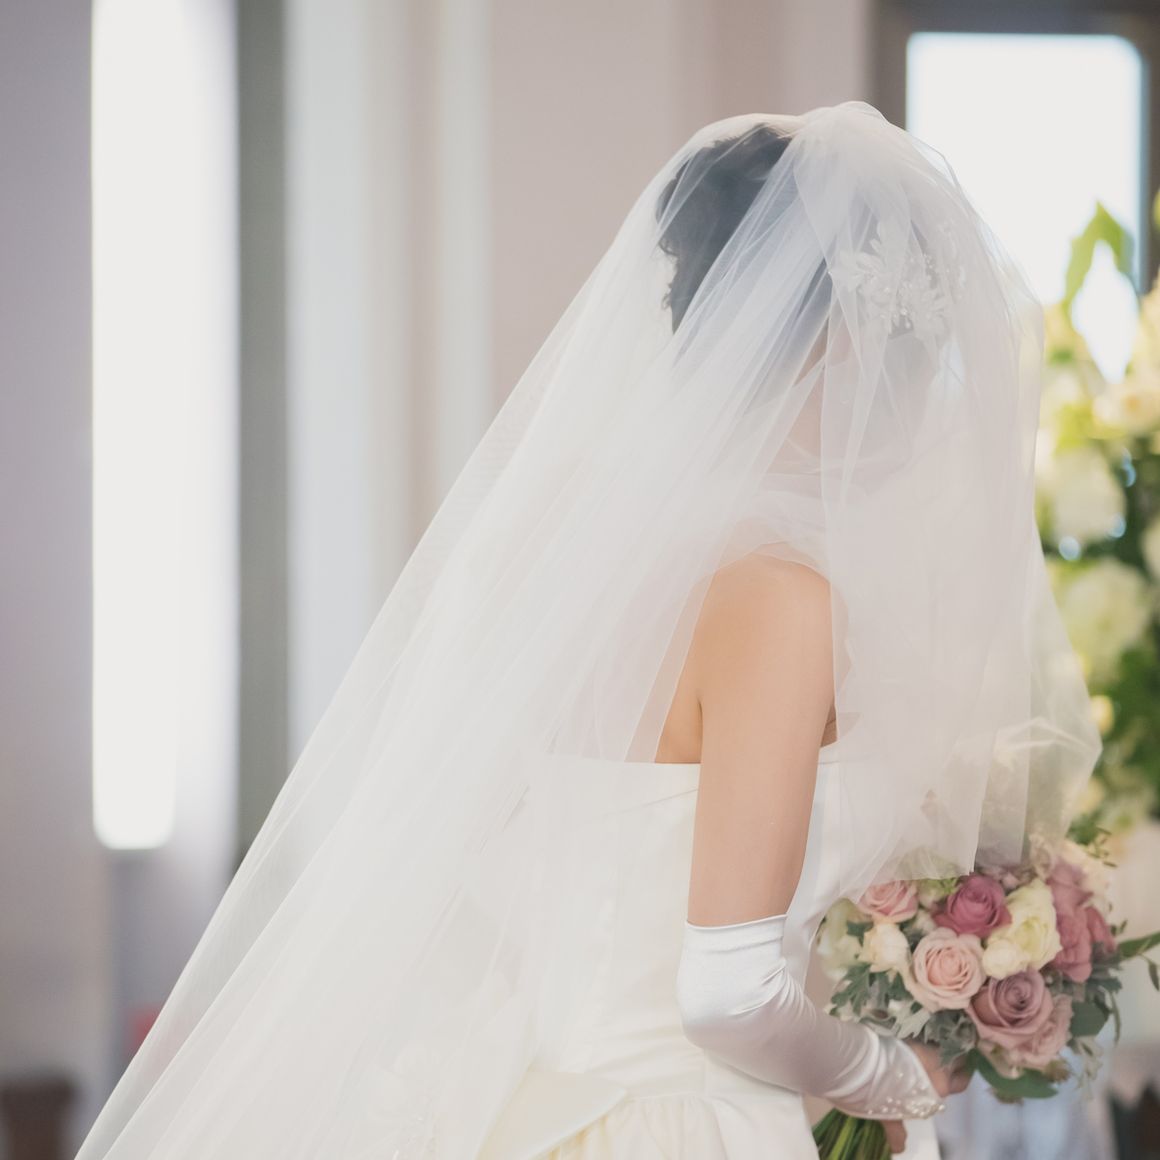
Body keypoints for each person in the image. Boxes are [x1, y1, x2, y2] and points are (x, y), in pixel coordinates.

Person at [75, 102, 1099, 1160]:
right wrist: (892, 1076)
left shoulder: (568, 551)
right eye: (908, 353)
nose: (916, 400)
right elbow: (728, 993)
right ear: (840, 346)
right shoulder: (779, 599)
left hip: (535, 1105)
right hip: (682, 1123)